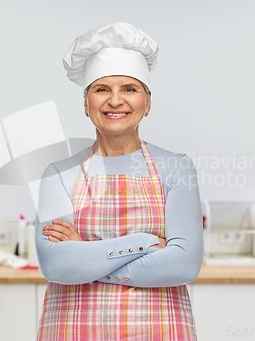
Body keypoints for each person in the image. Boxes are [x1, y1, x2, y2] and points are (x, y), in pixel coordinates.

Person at [35, 22, 203, 341]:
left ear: (147, 103)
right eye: (102, 89)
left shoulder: (177, 168)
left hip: (158, 331)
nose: (115, 101)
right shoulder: (58, 174)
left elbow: (184, 265)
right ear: (86, 105)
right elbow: (57, 266)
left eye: (129, 88)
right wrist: (146, 242)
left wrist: (84, 254)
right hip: (73, 330)